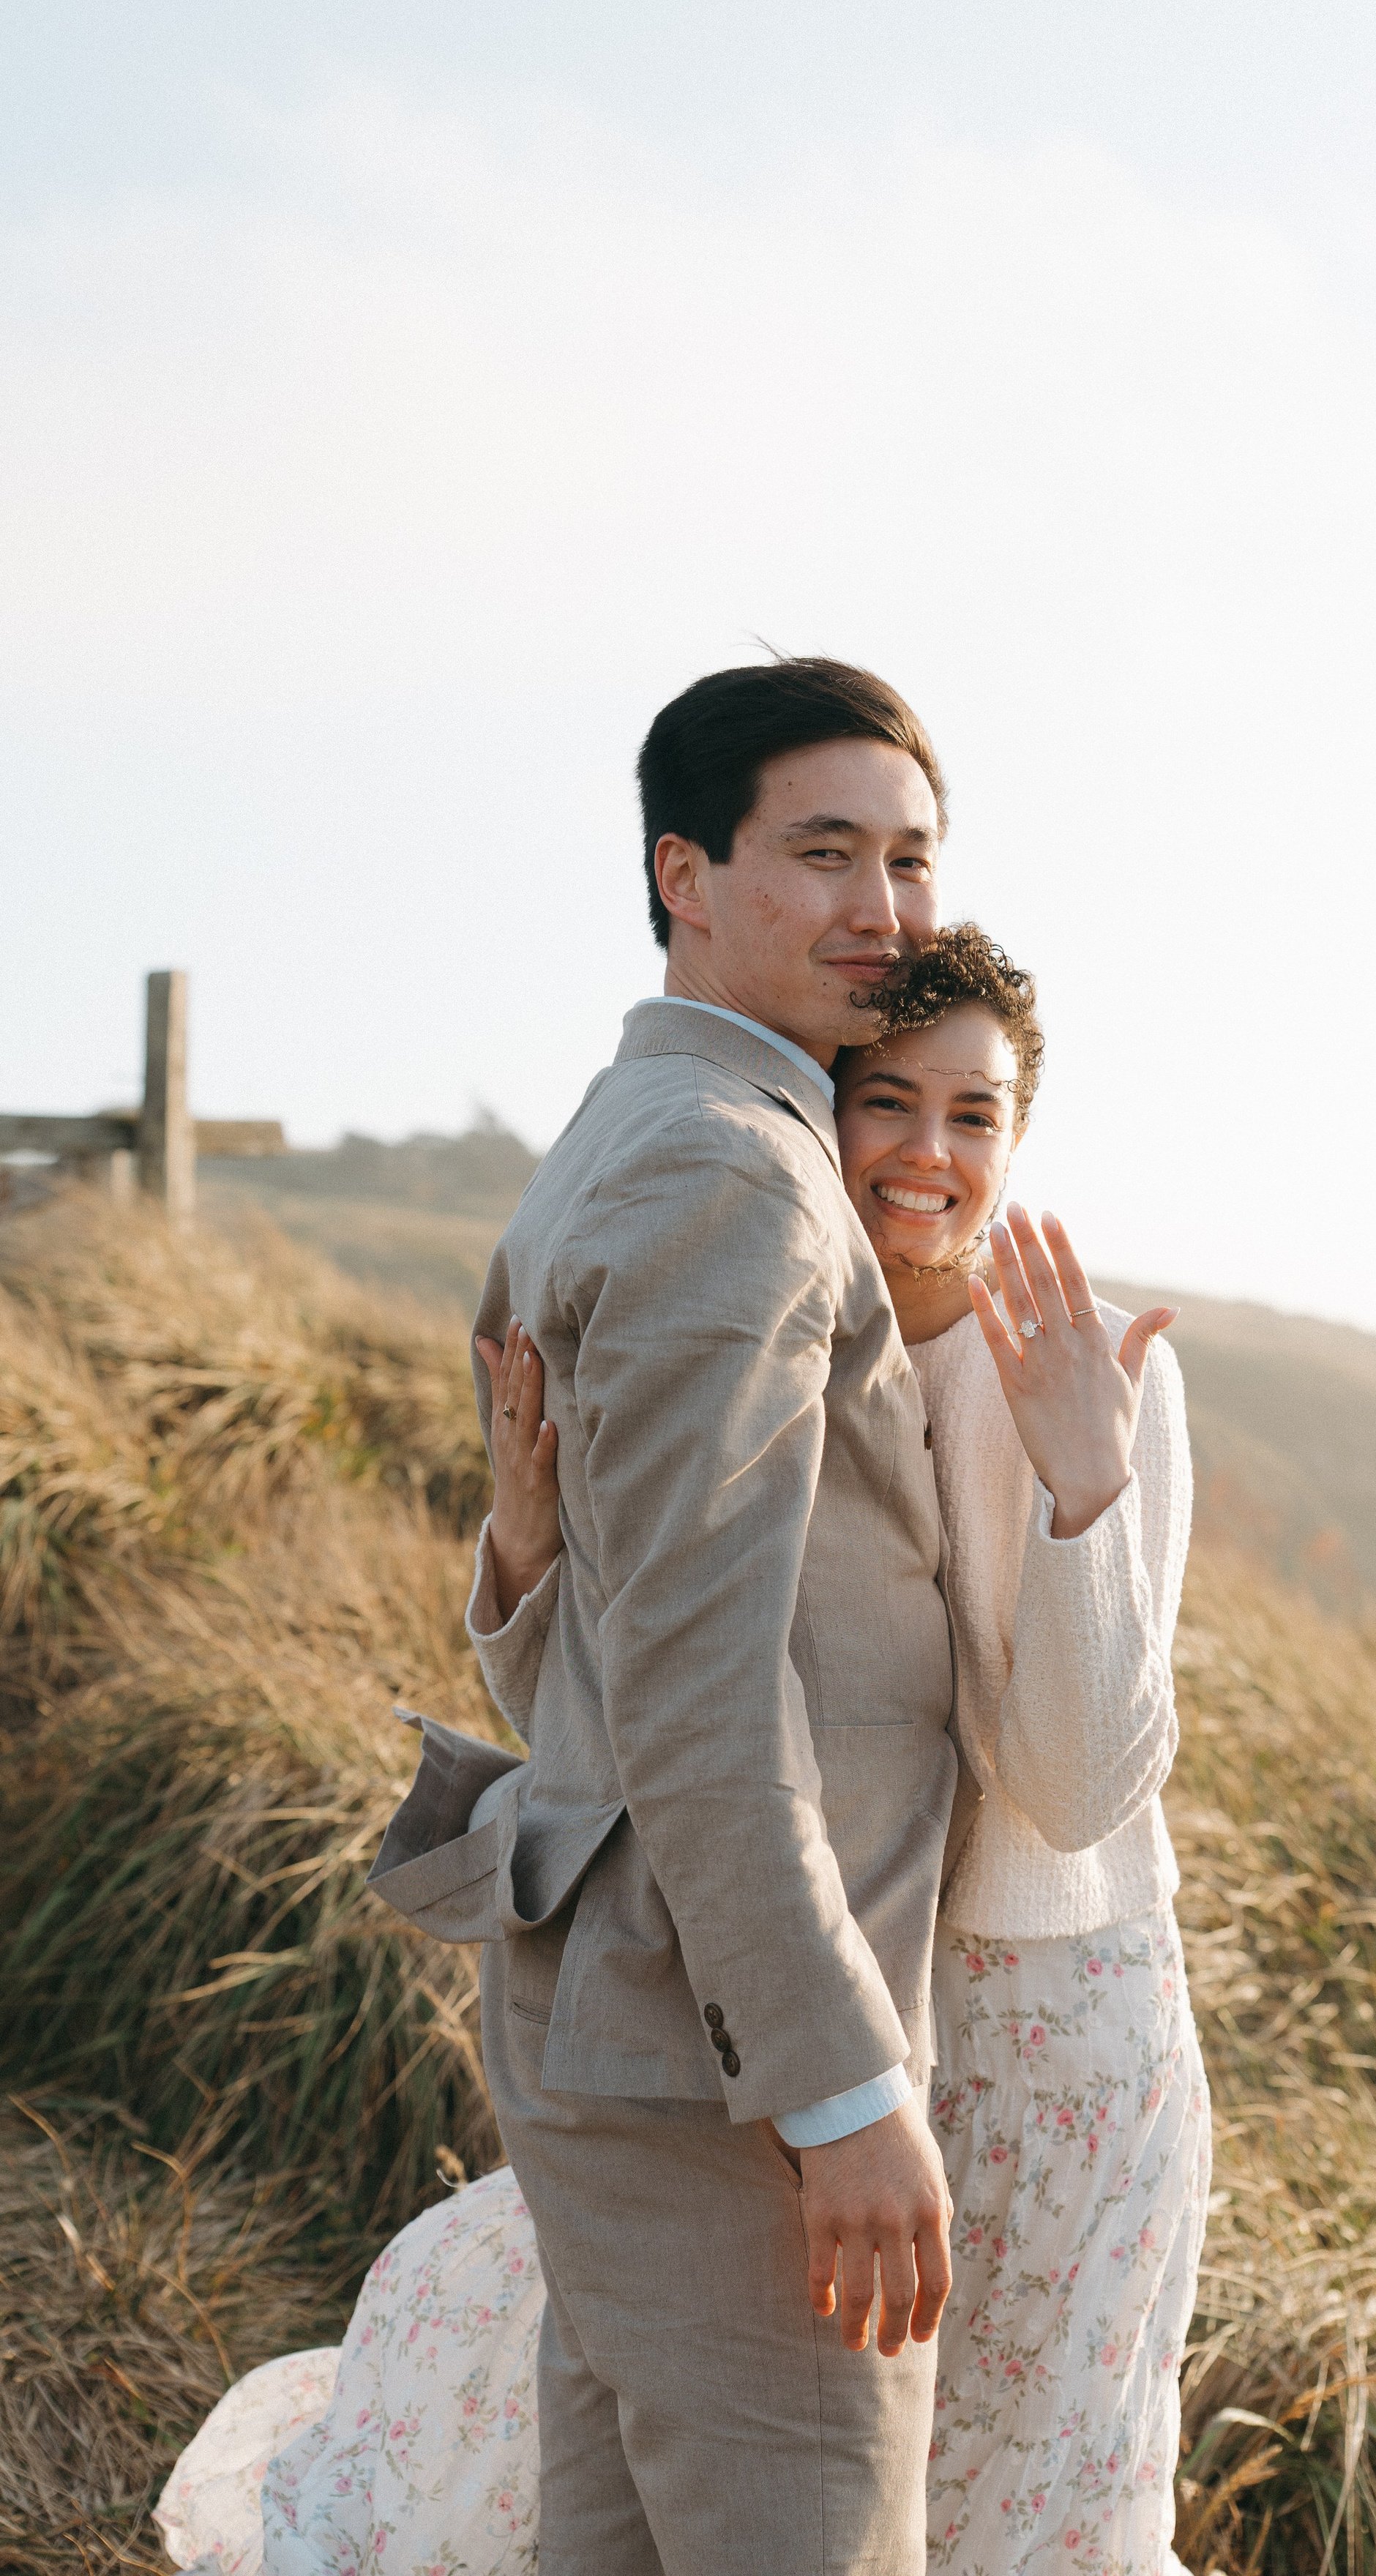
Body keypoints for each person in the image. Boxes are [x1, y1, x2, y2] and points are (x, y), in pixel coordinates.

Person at [158, 924, 1208, 2576]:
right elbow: (654, 1702)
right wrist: (524, 1556)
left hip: (1040, 2016)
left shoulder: (1091, 1384)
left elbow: (1075, 1791)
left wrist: (1081, 1495)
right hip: (826, 1984)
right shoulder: (771, 1328)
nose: (928, 1153)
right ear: (820, 1108)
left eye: (975, 1115)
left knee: (1013, 2508)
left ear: (1018, 1137)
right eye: (886, 1102)